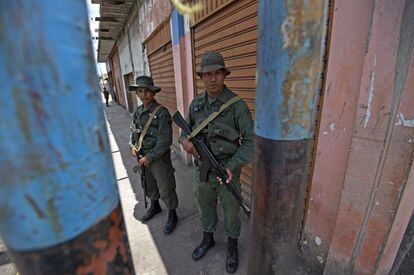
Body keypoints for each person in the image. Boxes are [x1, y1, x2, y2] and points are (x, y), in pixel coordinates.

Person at [179, 51, 253, 273]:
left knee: (231, 211)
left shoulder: (237, 106)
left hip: (226, 169)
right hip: (201, 169)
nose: (212, 79)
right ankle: (208, 238)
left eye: (217, 73)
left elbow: (250, 141)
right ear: (201, 77)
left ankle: (232, 245)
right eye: (207, 74)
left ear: (224, 74)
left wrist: (232, 166)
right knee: (204, 205)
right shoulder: (196, 105)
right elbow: (185, 131)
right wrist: (185, 142)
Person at [128, 75, 179, 234]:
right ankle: (155, 206)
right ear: (137, 93)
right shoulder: (137, 112)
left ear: (153, 92)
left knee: (165, 186)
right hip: (142, 157)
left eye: (147, 91)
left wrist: (150, 157)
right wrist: (133, 146)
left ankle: (172, 214)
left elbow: (165, 141)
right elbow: (134, 131)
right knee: (148, 184)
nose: (144, 95)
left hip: (158, 159)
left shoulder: (162, 113)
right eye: (140, 91)